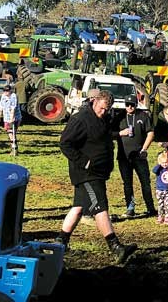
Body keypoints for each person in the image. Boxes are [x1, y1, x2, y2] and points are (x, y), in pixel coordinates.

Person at [57, 90, 137, 263]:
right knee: (99, 206)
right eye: (101, 108)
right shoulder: (80, 119)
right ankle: (115, 247)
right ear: (95, 101)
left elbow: (106, 135)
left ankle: (60, 243)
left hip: (99, 172)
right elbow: (65, 143)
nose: (103, 112)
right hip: (87, 173)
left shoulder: (104, 118)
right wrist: (84, 162)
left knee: (78, 207)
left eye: (106, 110)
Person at [114, 98, 156, 219]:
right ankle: (130, 208)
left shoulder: (143, 116)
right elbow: (109, 133)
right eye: (127, 105)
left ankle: (150, 207)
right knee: (127, 183)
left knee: (145, 182)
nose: (130, 107)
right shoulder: (119, 117)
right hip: (124, 157)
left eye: (132, 105)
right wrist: (121, 133)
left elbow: (150, 132)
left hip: (139, 156)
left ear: (136, 105)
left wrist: (144, 149)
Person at [0, 84, 20, 155]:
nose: (6, 92)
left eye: (7, 91)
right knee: (10, 133)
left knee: (12, 133)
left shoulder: (13, 96)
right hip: (6, 117)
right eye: (4, 91)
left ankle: (14, 149)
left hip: (15, 117)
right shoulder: (3, 96)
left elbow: (13, 108)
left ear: (10, 90)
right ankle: (14, 147)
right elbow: (0, 107)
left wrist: (12, 118)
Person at [152, 151, 168, 224]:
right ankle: (160, 216)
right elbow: (154, 170)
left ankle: (167, 217)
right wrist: (159, 165)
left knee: (167, 204)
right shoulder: (159, 169)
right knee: (160, 204)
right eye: (163, 163)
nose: (165, 164)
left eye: (166, 162)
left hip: (167, 189)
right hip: (159, 190)